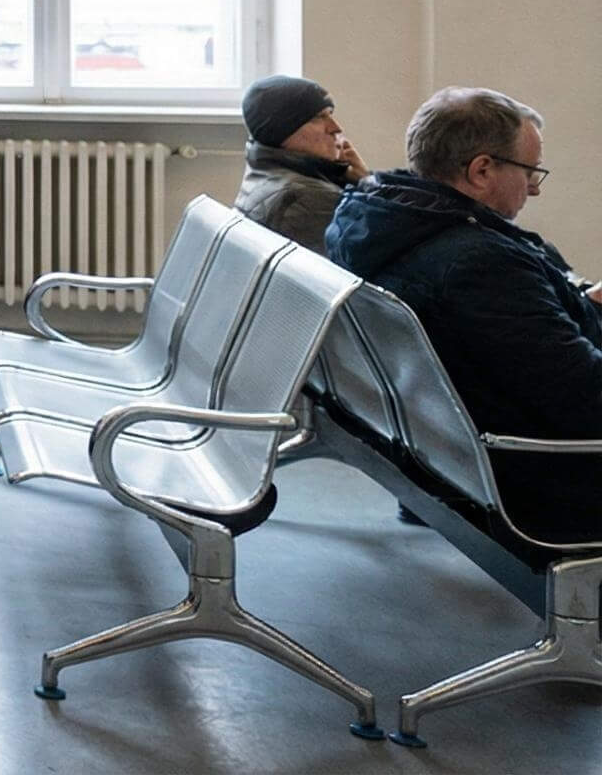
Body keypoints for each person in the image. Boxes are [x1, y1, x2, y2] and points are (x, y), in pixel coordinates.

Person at [323, 88, 602, 543]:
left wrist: (585, 306)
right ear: (482, 170)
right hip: (539, 478)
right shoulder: (479, 265)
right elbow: (586, 400)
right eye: (529, 171)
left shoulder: (378, 221)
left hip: (444, 456)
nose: (534, 188)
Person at [231, 74, 367, 255]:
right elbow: (386, 258)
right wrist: (369, 186)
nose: (335, 128)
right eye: (319, 117)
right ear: (283, 130)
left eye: (330, 115)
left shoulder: (264, 172)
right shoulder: (306, 197)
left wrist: (353, 180)